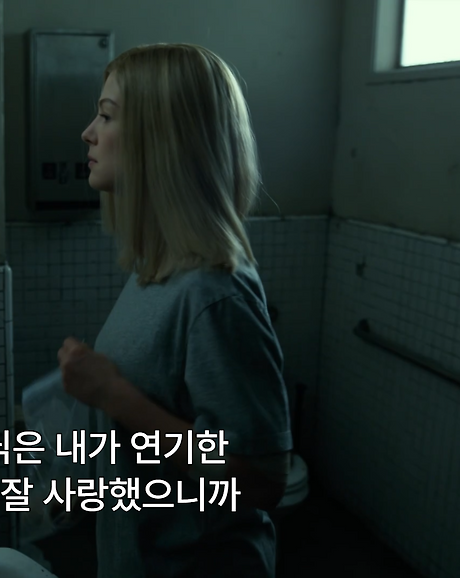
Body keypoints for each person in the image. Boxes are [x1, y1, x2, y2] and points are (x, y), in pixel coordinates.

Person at [56, 43, 293, 578]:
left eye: (107, 116)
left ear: (159, 141)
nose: (88, 133)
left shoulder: (213, 292)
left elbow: (261, 481)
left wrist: (113, 395)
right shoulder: (157, 270)